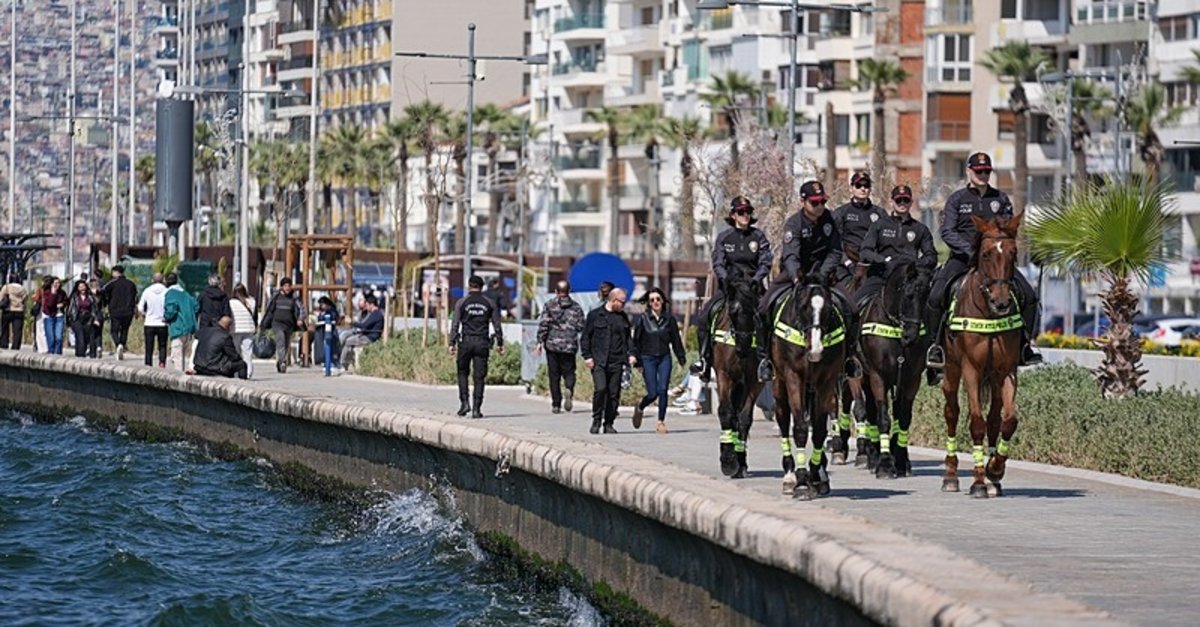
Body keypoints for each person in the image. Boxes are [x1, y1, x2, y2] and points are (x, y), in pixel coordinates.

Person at [925, 152, 1042, 376]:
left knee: (1029, 296)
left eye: (987, 171)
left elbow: (1008, 231)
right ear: (969, 171)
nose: (983, 175)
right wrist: (972, 251)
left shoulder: (1001, 199)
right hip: (963, 259)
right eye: (979, 171)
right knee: (935, 296)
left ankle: (1024, 346)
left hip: (996, 263)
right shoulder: (957, 199)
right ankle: (935, 347)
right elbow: (947, 231)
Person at [761, 180, 862, 376]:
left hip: (824, 275)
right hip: (797, 274)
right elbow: (791, 256)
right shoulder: (793, 224)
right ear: (803, 202)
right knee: (764, 307)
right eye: (815, 203)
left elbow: (835, 251)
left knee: (853, 309)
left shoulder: (830, 220)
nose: (820, 206)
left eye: (822, 202)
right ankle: (765, 359)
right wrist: (797, 279)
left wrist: (823, 275)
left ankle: (850, 358)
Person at [693, 195, 774, 383]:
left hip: (753, 289)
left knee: (768, 316)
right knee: (704, 315)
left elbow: (765, 262)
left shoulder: (758, 236)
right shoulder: (724, 237)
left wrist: (757, 278)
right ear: (733, 215)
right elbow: (718, 263)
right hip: (729, 289)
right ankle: (703, 360)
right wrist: (726, 279)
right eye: (741, 212)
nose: (745, 215)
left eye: (748, 212)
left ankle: (765, 361)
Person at [854, 185, 937, 303]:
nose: (902, 203)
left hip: (910, 279)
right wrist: (883, 260)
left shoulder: (920, 229)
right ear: (891, 202)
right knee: (854, 304)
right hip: (881, 276)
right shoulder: (879, 225)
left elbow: (931, 256)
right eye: (898, 200)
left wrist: (915, 264)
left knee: (933, 301)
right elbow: (865, 251)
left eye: (906, 200)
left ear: (911, 202)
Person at [631, 287, 687, 434]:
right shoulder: (643, 319)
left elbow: (676, 340)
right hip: (647, 358)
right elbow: (636, 342)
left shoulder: (669, 319)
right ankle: (640, 407)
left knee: (663, 390)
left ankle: (661, 421)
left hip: (664, 357)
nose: (655, 302)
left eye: (658, 299)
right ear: (649, 303)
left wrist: (681, 357)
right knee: (653, 393)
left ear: (662, 301)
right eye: (652, 300)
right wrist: (637, 361)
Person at [581, 287, 636, 435]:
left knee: (613, 394)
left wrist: (631, 354)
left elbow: (628, 338)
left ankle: (609, 423)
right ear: (613, 300)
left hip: (617, 361)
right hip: (599, 360)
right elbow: (586, 337)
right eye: (622, 302)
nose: (624, 305)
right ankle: (596, 420)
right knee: (601, 389)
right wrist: (587, 356)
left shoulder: (622, 317)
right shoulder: (595, 315)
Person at [449, 275, 504, 419]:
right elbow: (497, 324)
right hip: (482, 342)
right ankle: (476, 409)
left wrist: (452, 343)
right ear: (482, 287)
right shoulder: (489, 303)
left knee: (462, 372)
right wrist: (500, 342)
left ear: (469, 285)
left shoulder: (461, 302)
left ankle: (464, 403)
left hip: (466, 342)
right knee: (479, 377)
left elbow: (455, 324)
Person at [535, 280, 586, 414]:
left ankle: (556, 404)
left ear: (556, 291)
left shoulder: (549, 305)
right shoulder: (576, 307)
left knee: (554, 375)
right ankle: (568, 388)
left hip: (552, 345)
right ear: (569, 291)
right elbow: (581, 326)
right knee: (569, 372)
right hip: (569, 345)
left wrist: (539, 341)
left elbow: (544, 324)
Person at [833, 171, 887, 289]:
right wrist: (847, 262)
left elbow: (885, 242)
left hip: (873, 266)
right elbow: (834, 243)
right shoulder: (841, 213)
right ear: (851, 188)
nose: (863, 189)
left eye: (866, 186)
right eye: (858, 186)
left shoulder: (880, 213)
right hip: (847, 266)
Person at [261, 277, 304, 373]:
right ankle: (283, 362)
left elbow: (301, 308)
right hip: (277, 324)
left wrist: (300, 318)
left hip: (289, 325)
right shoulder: (276, 297)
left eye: (289, 286)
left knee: (286, 344)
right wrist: (264, 323)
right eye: (285, 286)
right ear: (281, 287)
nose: (287, 288)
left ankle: (280, 362)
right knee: (281, 341)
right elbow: (270, 309)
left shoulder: (294, 297)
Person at [163, 272, 199, 374]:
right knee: (183, 354)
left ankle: (178, 378)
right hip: (189, 328)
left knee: (177, 357)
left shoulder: (170, 293)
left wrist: (166, 317)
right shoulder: (185, 293)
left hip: (178, 327)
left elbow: (171, 310)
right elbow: (196, 306)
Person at [193, 315, 249, 379]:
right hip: (214, 369)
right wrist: (239, 358)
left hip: (199, 366)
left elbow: (196, 335)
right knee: (242, 365)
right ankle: (241, 382)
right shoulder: (225, 336)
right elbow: (234, 356)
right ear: (228, 326)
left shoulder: (206, 330)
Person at [101, 265, 138, 360]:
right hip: (128, 311)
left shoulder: (111, 284)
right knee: (124, 330)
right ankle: (122, 344)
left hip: (115, 311)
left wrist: (106, 303)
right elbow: (135, 297)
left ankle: (118, 344)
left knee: (114, 330)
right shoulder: (131, 284)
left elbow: (103, 293)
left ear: (115, 272)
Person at [339, 293, 384, 370]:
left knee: (347, 341)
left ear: (372, 305)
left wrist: (351, 322)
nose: (366, 307)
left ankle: (342, 364)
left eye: (367, 305)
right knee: (347, 337)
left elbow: (363, 325)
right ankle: (345, 362)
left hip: (369, 338)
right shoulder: (376, 313)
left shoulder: (375, 314)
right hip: (368, 335)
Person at [138, 273, 169, 368]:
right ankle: (162, 362)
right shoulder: (167, 291)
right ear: (163, 280)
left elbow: (140, 307)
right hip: (163, 323)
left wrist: (145, 314)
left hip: (149, 322)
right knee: (162, 345)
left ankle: (148, 364)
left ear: (152, 280)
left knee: (149, 346)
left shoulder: (147, 291)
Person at [66, 279, 103, 358]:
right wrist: (70, 321)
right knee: (80, 336)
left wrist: (95, 319)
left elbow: (94, 309)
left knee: (89, 336)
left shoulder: (90, 297)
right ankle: (80, 354)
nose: (82, 288)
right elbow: (70, 310)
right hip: (77, 318)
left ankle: (92, 354)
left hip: (88, 318)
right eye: (80, 287)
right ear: (77, 288)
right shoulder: (74, 297)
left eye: (83, 286)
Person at [229, 283, 257, 379]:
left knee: (236, 352)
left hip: (236, 329)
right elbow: (255, 316)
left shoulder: (231, 302)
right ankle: (248, 373)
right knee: (248, 352)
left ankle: (236, 372)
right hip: (249, 328)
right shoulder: (252, 301)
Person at [38, 277, 69, 355]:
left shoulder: (62, 293)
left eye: (58, 283)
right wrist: (53, 293)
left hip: (59, 316)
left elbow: (66, 301)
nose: (57, 285)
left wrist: (63, 304)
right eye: (55, 283)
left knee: (59, 337)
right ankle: (51, 352)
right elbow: (49, 304)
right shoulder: (47, 293)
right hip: (49, 316)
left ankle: (58, 353)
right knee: (51, 337)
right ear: (51, 284)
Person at [0, 274, 27, 350]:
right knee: (17, 330)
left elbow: (1, 297)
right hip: (19, 311)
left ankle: (4, 344)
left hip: (8, 310)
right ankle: (16, 346)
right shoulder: (22, 289)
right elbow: (25, 299)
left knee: (5, 328)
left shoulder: (6, 287)